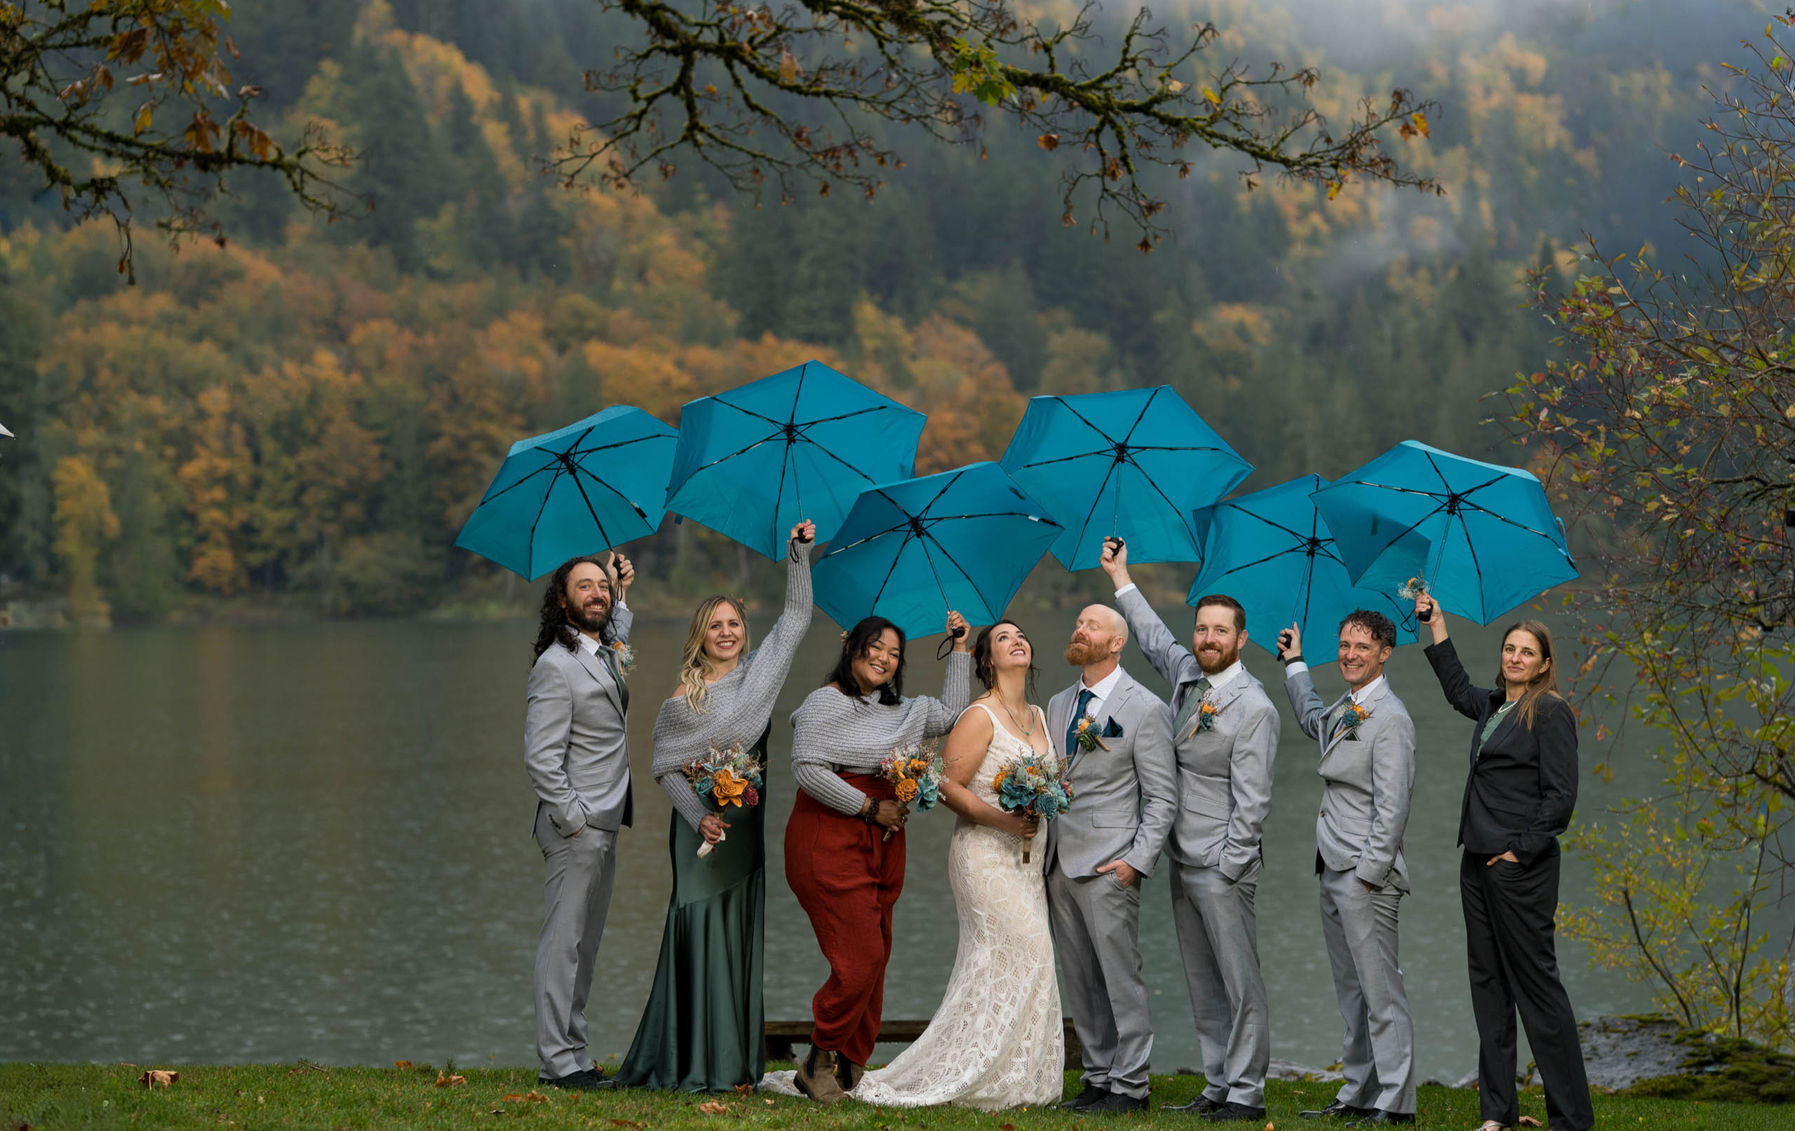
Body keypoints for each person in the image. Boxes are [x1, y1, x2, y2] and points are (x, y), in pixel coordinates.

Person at [613, 522, 815, 1092]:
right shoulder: (683, 698)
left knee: (738, 934)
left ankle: (734, 1064)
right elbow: (664, 768)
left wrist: (798, 553)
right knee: (699, 927)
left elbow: (797, 619)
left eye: (733, 624)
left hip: (745, 834)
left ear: (744, 632)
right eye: (715, 626)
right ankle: (692, 1061)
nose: (726, 633)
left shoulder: (761, 674)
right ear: (700, 636)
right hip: (699, 835)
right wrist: (696, 813)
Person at [839, 619, 1066, 1110]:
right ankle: (974, 1069)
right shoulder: (979, 715)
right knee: (1024, 951)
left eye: (1022, 634)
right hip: (984, 855)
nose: (1017, 640)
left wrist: (1045, 801)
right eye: (1004, 638)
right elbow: (946, 784)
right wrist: (1005, 821)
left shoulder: (1041, 715)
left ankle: (1016, 1076)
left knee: (1019, 962)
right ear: (986, 659)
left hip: (1028, 860)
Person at [1101, 540, 1278, 1122]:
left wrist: (1228, 867)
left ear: (1240, 639)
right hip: (1182, 857)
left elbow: (1253, 804)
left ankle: (1248, 1093)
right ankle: (1217, 1081)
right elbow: (1152, 636)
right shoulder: (1186, 681)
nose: (1207, 639)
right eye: (1201, 629)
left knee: (1239, 983)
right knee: (1202, 981)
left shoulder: (1254, 708)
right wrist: (1121, 577)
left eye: (1219, 631)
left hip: (1221, 867)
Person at [1415, 593, 1593, 1131]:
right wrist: (1438, 624)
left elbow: (1560, 797)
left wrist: (1520, 851)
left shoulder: (1552, 710)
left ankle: (1572, 1119)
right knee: (1488, 987)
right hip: (1476, 862)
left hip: (1519, 869)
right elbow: (1455, 689)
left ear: (1543, 663)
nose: (1515, 657)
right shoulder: (1495, 706)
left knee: (1537, 989)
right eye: (1510, 649)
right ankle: (1498, 1114)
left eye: (1526, 652)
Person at [784, 610, 972, 1102]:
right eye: (877, 647)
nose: (885, 659)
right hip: (830, 836)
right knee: (859, 958)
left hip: (884, 843)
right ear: (853, 648)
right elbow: (807, 769)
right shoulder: (823, 703)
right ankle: (817, 1058)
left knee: (878, 951)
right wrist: (868, 807)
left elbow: (953, 714)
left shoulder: (905, 710)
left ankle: (850, 1058)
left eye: (895, 653)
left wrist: (958, 649)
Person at [1280, 612, 1417, 1125]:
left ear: (1385, 653)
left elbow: (1394, 806)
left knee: (1381, 991)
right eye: (1343, 644)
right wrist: (1295, 662)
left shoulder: (1392, 717)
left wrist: (1368, 874)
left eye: (1361, 646)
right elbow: (1315, 723)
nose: (1349, 654)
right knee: (1351, 991)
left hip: (1365, 874)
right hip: (1331, 864)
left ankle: (1397, 1100)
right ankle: (1359, 1090)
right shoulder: (1347, 706)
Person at [1045, 603, 1178, 1115]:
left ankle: (1132, 1085)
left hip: (1110, 864)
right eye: (1078, 622)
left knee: (1121, 979)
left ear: (1117, 641)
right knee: (1079, 979)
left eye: (1092, 625)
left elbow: (1162, 797)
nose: (1080, 629)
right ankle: (1098, 1077)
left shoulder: (1144, 707)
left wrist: (1135, 861)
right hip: (1059, 862)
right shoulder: (1058, 704)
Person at [524, 550, 637, 1089]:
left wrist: (621, 591)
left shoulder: (596, 651)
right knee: (562, 946)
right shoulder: (555, 665)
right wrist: (575, 819)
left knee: (584, 948)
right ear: (562, 599)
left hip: (603, 824)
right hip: (578, 827)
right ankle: (557, 1064)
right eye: (584, 586)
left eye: (601, 586)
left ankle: (575, 1054)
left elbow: (614, 650)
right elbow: (541, 758)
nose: (596, 592)